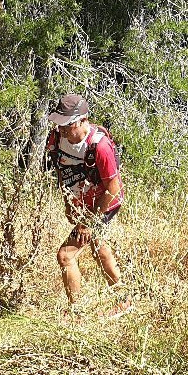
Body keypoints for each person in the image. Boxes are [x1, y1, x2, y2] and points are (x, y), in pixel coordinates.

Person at [45, 93, 130, 319]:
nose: (62, 129)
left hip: (105, 203)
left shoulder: (99, 146)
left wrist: (88, 222)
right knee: (99, 248)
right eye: (59, 123)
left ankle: (77, 312)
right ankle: (124, 300)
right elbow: (62, 172)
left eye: (67, 124)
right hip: (84, 202)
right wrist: (68, 202)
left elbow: (113, 188)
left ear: (83, 120)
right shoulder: (56, 138)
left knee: (65, 255)